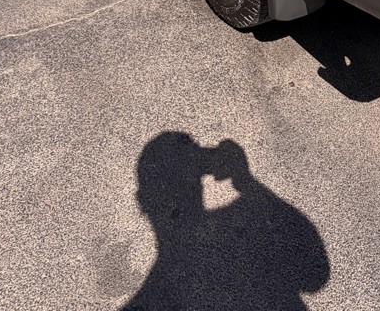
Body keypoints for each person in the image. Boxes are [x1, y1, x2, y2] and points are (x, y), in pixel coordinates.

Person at [122, 132, 330, 311]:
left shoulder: (151, 299)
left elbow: (314, 272)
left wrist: (247, 182)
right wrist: (246, 183)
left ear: (143, 201)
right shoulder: (240, 231)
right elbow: (314, 273)